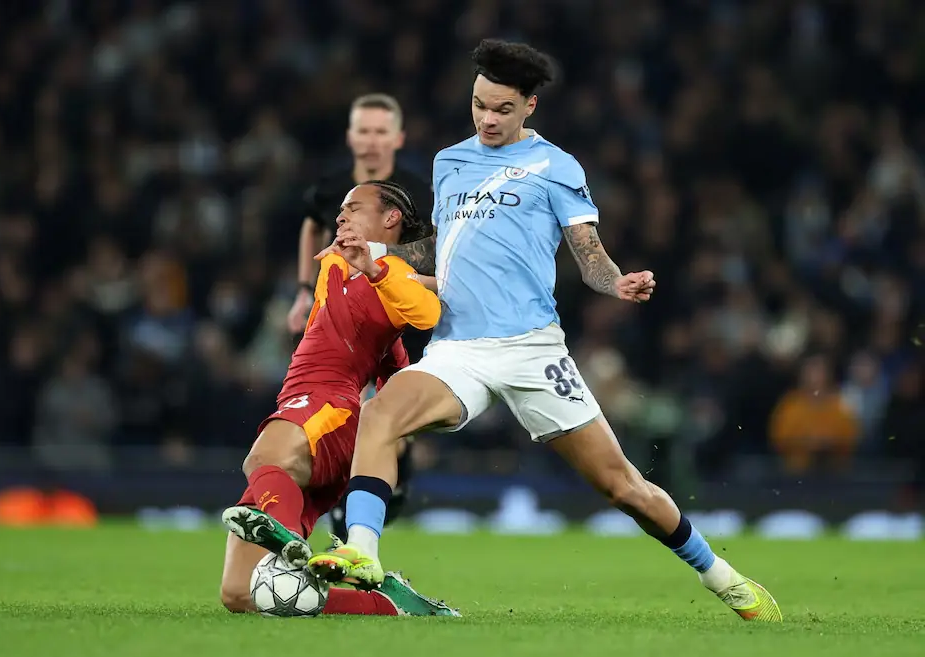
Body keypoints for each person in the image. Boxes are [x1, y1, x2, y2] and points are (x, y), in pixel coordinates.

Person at [308, 39, 782, 623]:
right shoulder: (448, 161)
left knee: (622, 488)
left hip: (532, 349)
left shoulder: (557, 168)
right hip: (459, 347)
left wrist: (618, 284)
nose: (487, 118)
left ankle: (726, 579)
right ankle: (361, 552)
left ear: (530, 106)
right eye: (479, 104)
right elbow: (444, 246)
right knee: (380, 414)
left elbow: (589, 257)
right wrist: (377, 248)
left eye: (502, 109)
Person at [219, 180, 457, 617]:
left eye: (354, 207)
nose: (341, 215)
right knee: (240, 594)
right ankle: (387, 605)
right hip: (302, 412)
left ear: (390, 218)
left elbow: (428, 314)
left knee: (260, 459)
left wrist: (375, 269)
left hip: (329, 406)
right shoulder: (333, 263)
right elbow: (392, 357)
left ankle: (287, 538)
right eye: (341, 210)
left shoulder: (395, 273)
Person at [287, 93, 431, 541]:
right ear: (351, 137)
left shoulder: (414, 191)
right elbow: (311, 224)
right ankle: (346, 493)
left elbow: (434, 245)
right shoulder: (335, 189)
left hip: (397, 306)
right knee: (347, 403)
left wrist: (386, 262)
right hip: (346, 308)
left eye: (379, 132)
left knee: (392, 411)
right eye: (363, 131)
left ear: (397, 138)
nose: (371, 141)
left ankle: (386, 478)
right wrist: (302, 291)